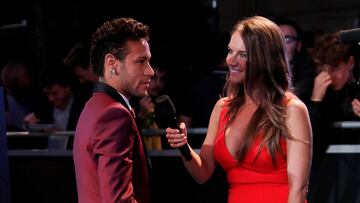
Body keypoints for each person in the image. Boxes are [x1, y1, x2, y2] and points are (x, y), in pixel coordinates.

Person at [166, 16, 312, 203]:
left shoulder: (292, 110)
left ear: (265, 59)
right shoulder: (223, 108)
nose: (230, 60)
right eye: (230, 51)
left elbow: (298, 190)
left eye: (242, 55)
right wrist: (184, 147)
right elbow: (202, 173)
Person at [73, 17, 153, 203]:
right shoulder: (114, 115)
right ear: (112, 63)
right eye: (141, 61)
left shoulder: (92, 107)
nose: (150, 71)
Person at [308, 31, 360, 202]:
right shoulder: (315, 94)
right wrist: (316, 101)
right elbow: (310, 145)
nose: (329, 76)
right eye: (324, 69)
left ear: (350, 63)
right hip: (327, 185)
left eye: (335, 68)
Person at [274, 17, 316, 106]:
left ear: (298, 45)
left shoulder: (309, 73)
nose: (282, 45)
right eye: (277, 39)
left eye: (288, 39)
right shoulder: (261, 70)